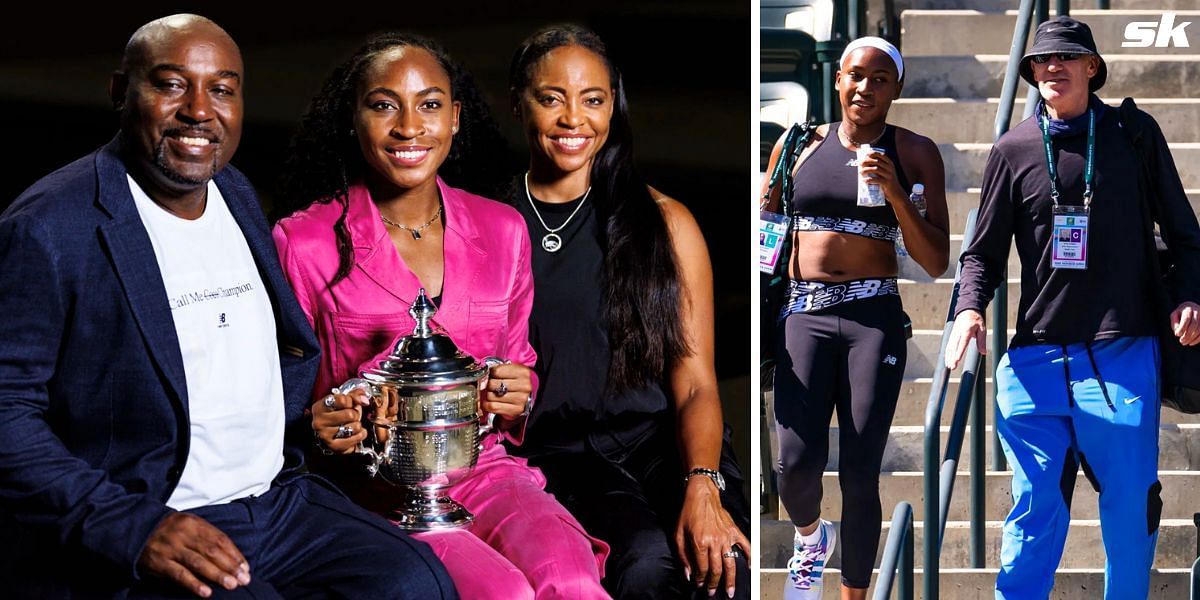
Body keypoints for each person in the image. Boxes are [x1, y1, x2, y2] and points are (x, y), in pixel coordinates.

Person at [0, 14, 456, 599]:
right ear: (121, 93)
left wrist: (326, 416)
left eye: (221, 89)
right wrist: (134, 527)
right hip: (155, 513)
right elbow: (7, 415)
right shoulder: (49, 228)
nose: (198, 110)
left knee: (419, 584)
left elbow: (262, 357)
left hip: (277, 503)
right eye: (170, 85)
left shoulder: (233, 192)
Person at [271, 32, 609, 600]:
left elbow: (521, 364)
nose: (409, 127)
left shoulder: (503, 230)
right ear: (352, 120)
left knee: (570, 578)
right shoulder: (304, 243)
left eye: (429, 105)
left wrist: (518, 390)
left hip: (484, 467)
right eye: (383, 105)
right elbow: (276, 400)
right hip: (369, 487)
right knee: (502, 592)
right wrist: (319, 424)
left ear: (454, 118)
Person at [945, 16, 1200, 600]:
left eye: (1065, 57)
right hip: (1033, 363)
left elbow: (1185, 234)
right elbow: (980, 253)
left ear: (1092, 67)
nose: (1050, 68)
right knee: (1034, 512)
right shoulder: (1011, 150)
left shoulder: (1133, 136)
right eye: (1039, 61)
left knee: (1130, 511)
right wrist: (968, 309)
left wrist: (1190, 296)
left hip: (1120, 355)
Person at [505, 24, 752, 600]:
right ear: (519, 103)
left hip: (664, 444)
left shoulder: (665, 222)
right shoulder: (488, 225)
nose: (574, 119)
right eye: (551, 99)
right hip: (556, 456)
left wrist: (702, 484)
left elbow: (695, 384)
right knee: (646, 566)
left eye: (593, 100)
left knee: (724, 564)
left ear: (614, 106)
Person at [760, 37, 949, 599]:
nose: (865, 88)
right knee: (795, 465)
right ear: (837, 79)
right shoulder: (797, 144)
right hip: (803, 313)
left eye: (880, 79)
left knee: (861, 472)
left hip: (872, 317)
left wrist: (894, 191)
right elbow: (766, 235)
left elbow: (935, 260)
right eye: (856, 76)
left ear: (896, 90)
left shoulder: (915, 152)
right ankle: (811, 537)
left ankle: (854, 594)